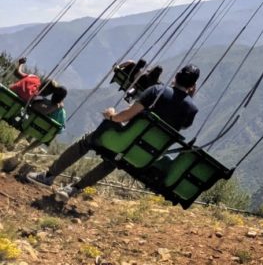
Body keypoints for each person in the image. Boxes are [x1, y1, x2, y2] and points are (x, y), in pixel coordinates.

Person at [27, 64, 201, 204]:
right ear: (192, 86)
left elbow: (125, 116)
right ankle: (73, 189)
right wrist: (189, 99)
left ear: (176, 76)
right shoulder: (192, 109)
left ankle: (48, 176)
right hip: (143, 156)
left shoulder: (157, 91)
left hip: (123, 141)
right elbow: (182, 126)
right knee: (114, 160)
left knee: (87, 141)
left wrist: (112, 114)